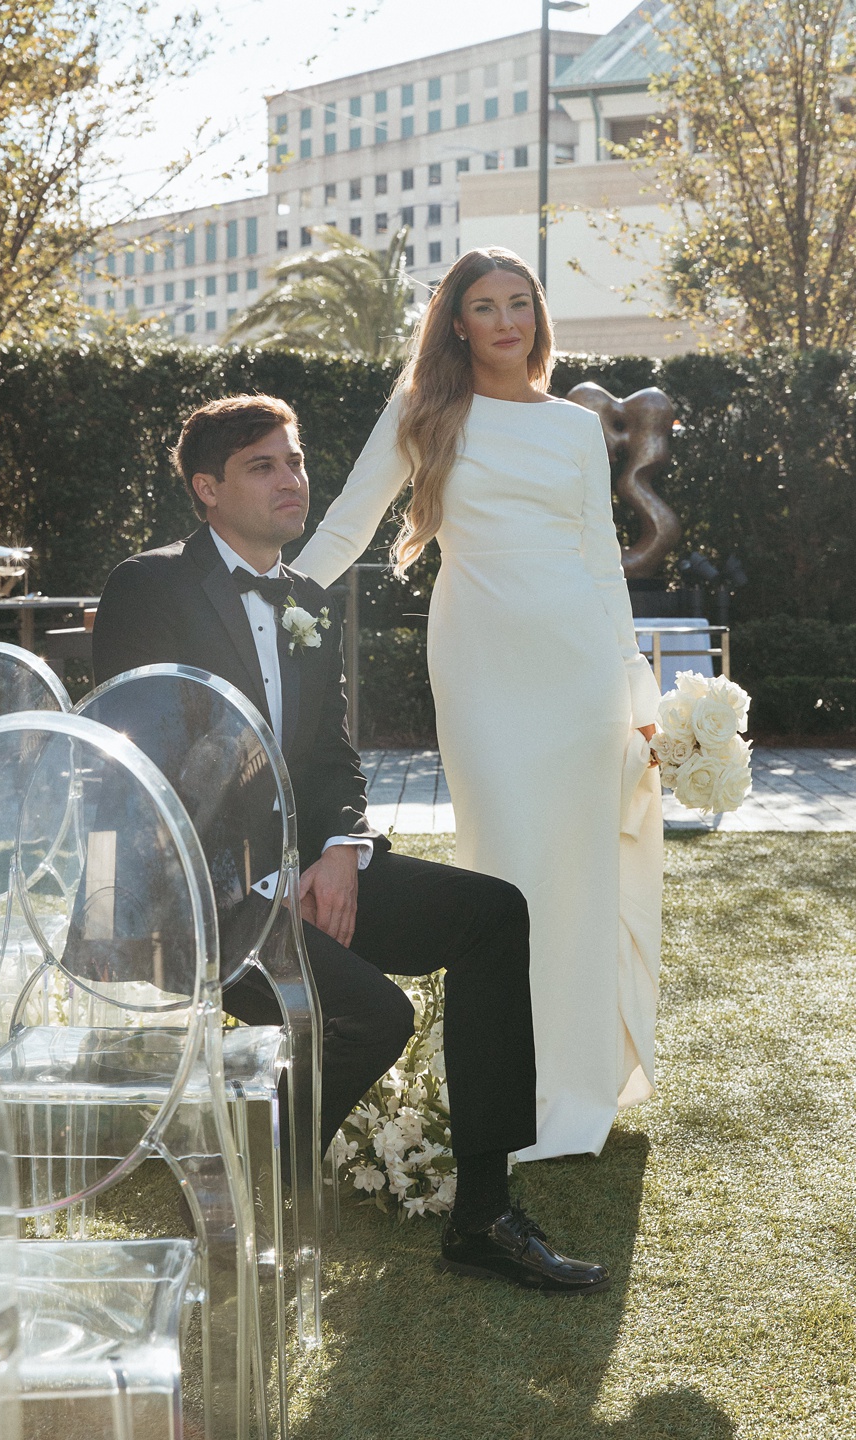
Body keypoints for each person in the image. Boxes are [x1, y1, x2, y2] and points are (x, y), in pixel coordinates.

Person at [92, 392, 610, 1294]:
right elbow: (143, 765)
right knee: (374, 1015)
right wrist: (263, 880)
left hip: (300, 873)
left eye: (294, 461)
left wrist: (339, 849)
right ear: (207, 489)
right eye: (264, 466)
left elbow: (332, 755)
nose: (292, 479)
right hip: (188, 897)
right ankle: (244, 1202)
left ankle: (483, 1218)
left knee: (491, 913)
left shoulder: (308, 601)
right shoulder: (150, 586)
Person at [296, 247, 664, 1162]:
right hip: (483, 660)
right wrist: (261, 601)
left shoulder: (576, 429)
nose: (507, 322)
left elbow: (599, 562)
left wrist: (633, 690)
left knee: (574, 874)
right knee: (501, 864)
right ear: (455, 321)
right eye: (486, 306)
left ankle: (575, 1088)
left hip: (577, 665)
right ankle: (503, 1090)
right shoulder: (426, 410)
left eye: (520, 305)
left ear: (538, 317)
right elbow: (348, 519)